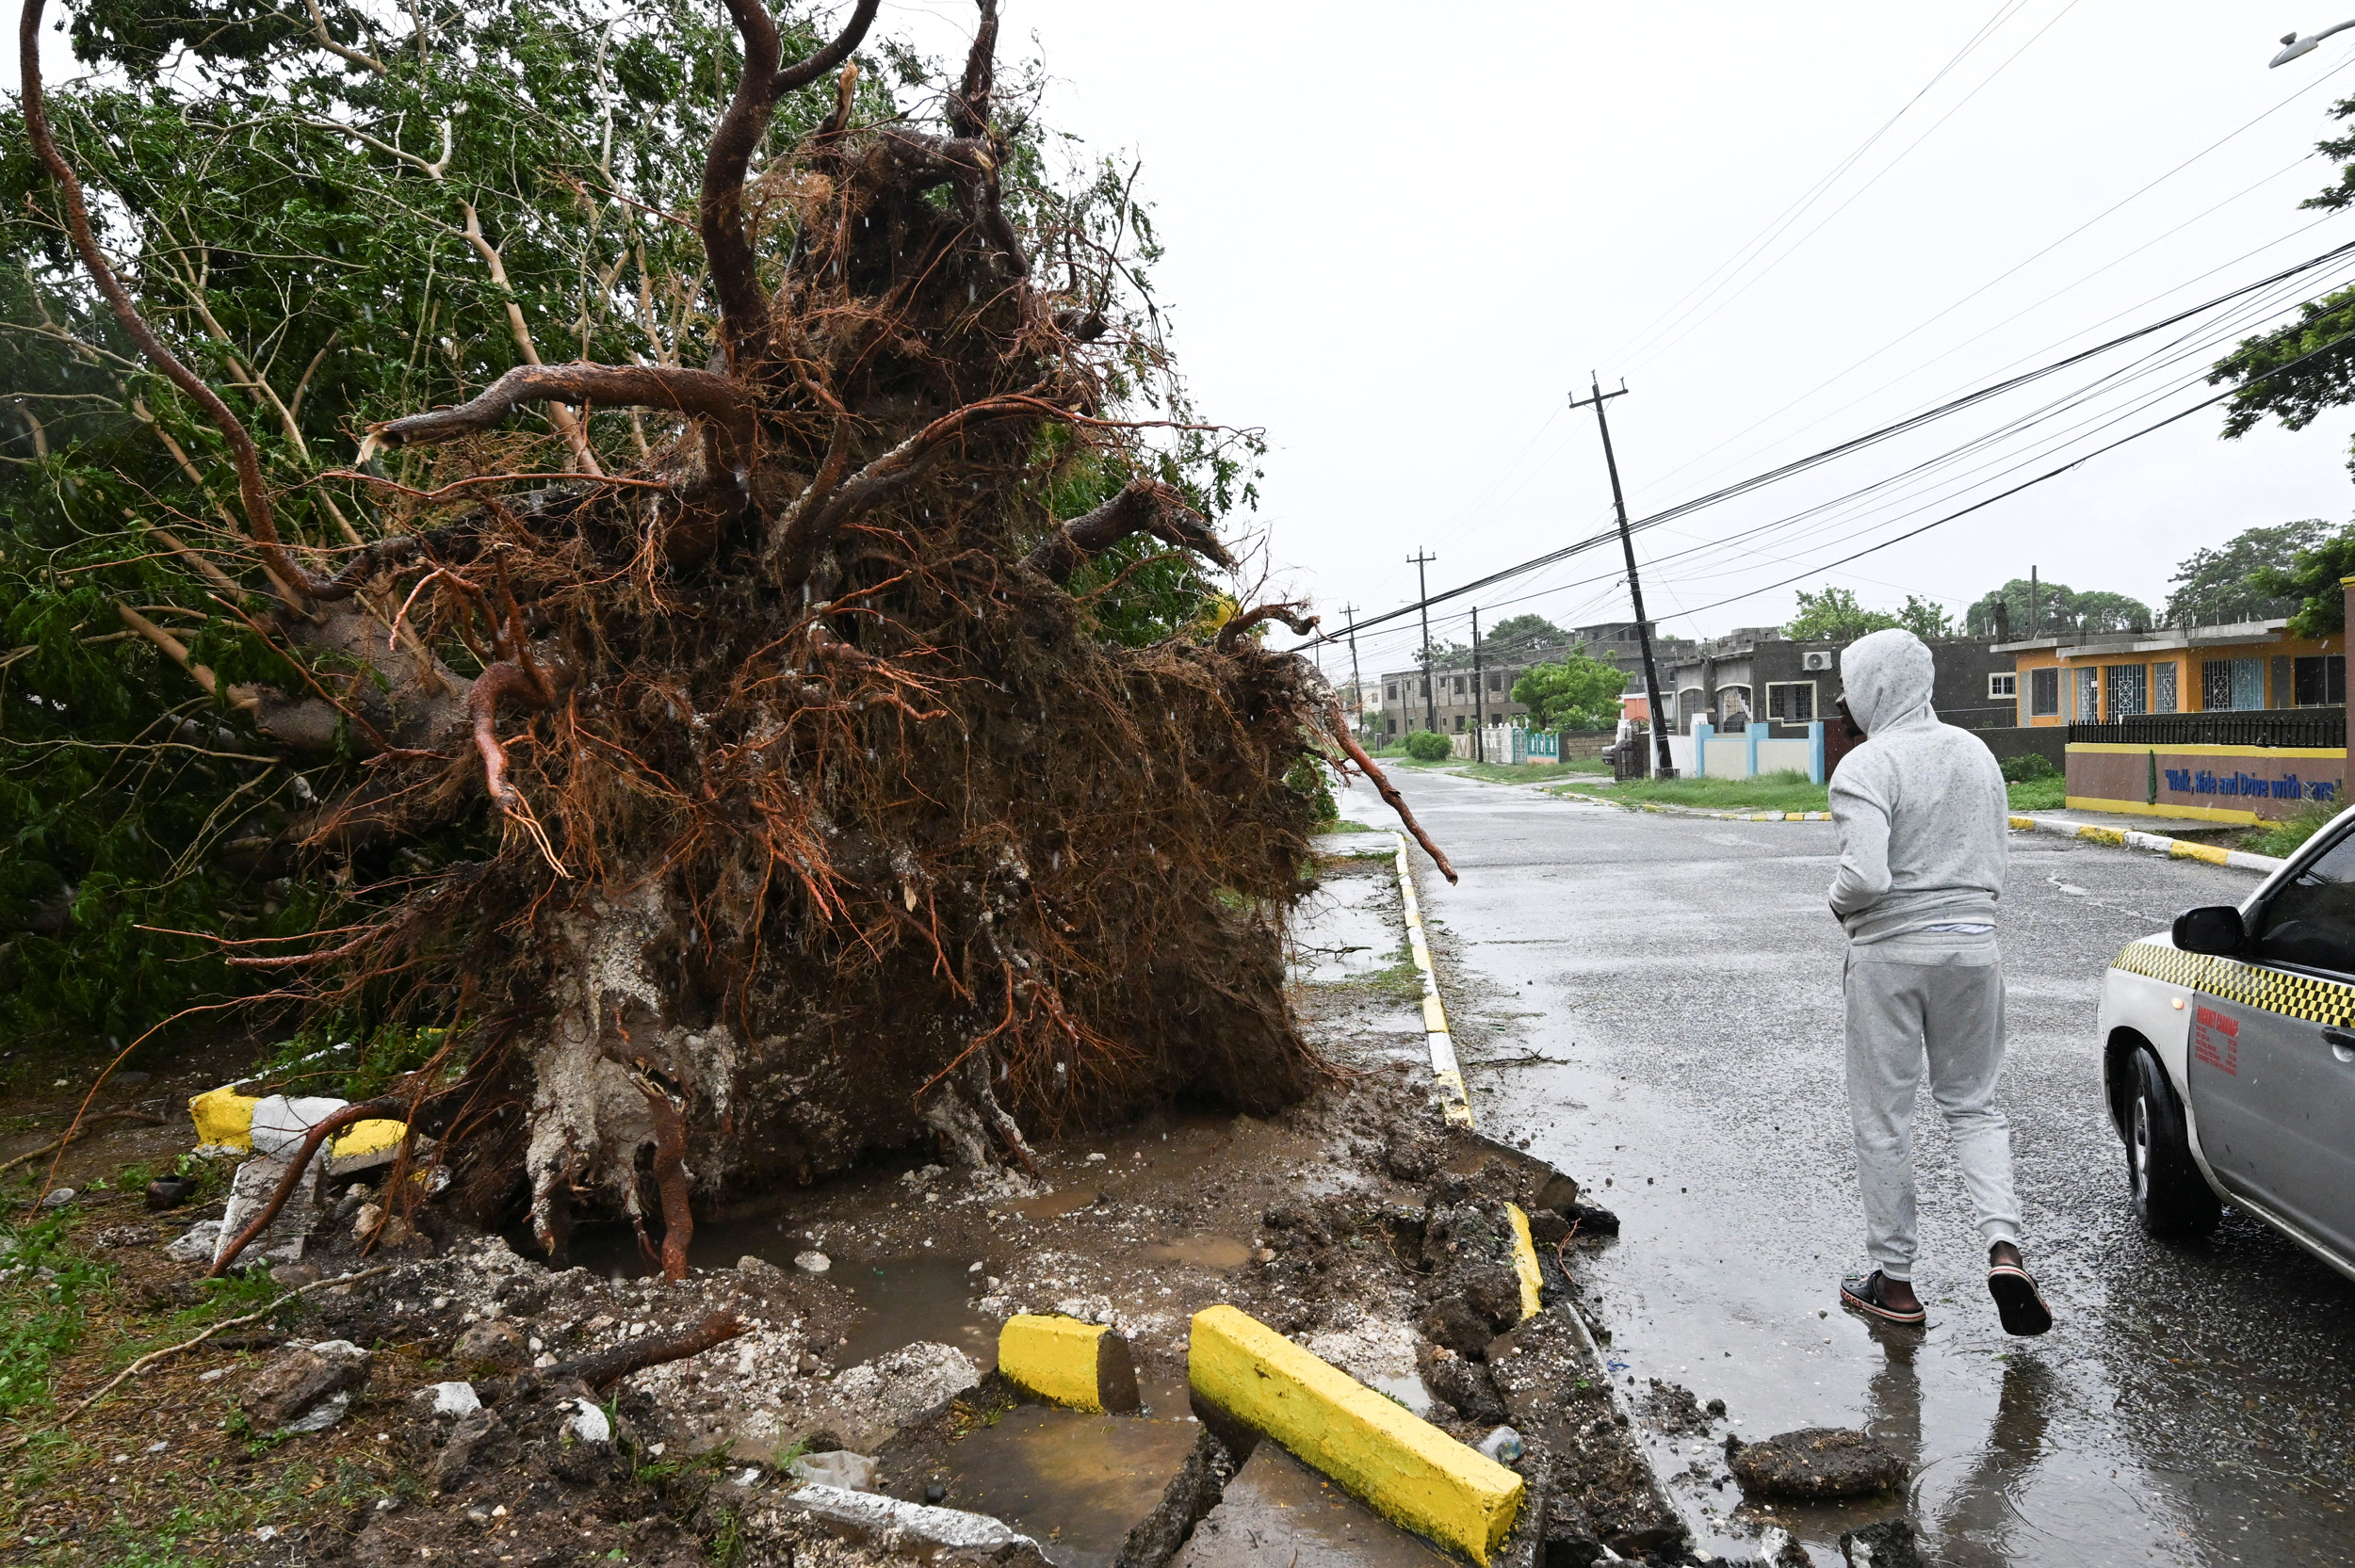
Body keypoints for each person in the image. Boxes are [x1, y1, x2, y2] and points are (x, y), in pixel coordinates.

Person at [1827, 628, 2050, 1336]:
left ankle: (1894, 1285)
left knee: (1885, 1116)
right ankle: (2005, 1248)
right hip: (1975, 950)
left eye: (1852, 684)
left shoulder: (1867, 765)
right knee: (1975, 1106)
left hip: (1891, 954)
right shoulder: (1978, 756)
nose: (1846, 698)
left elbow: (1865, 878)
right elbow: (1997, 857)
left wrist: (1835, 903)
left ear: (1875, 687)